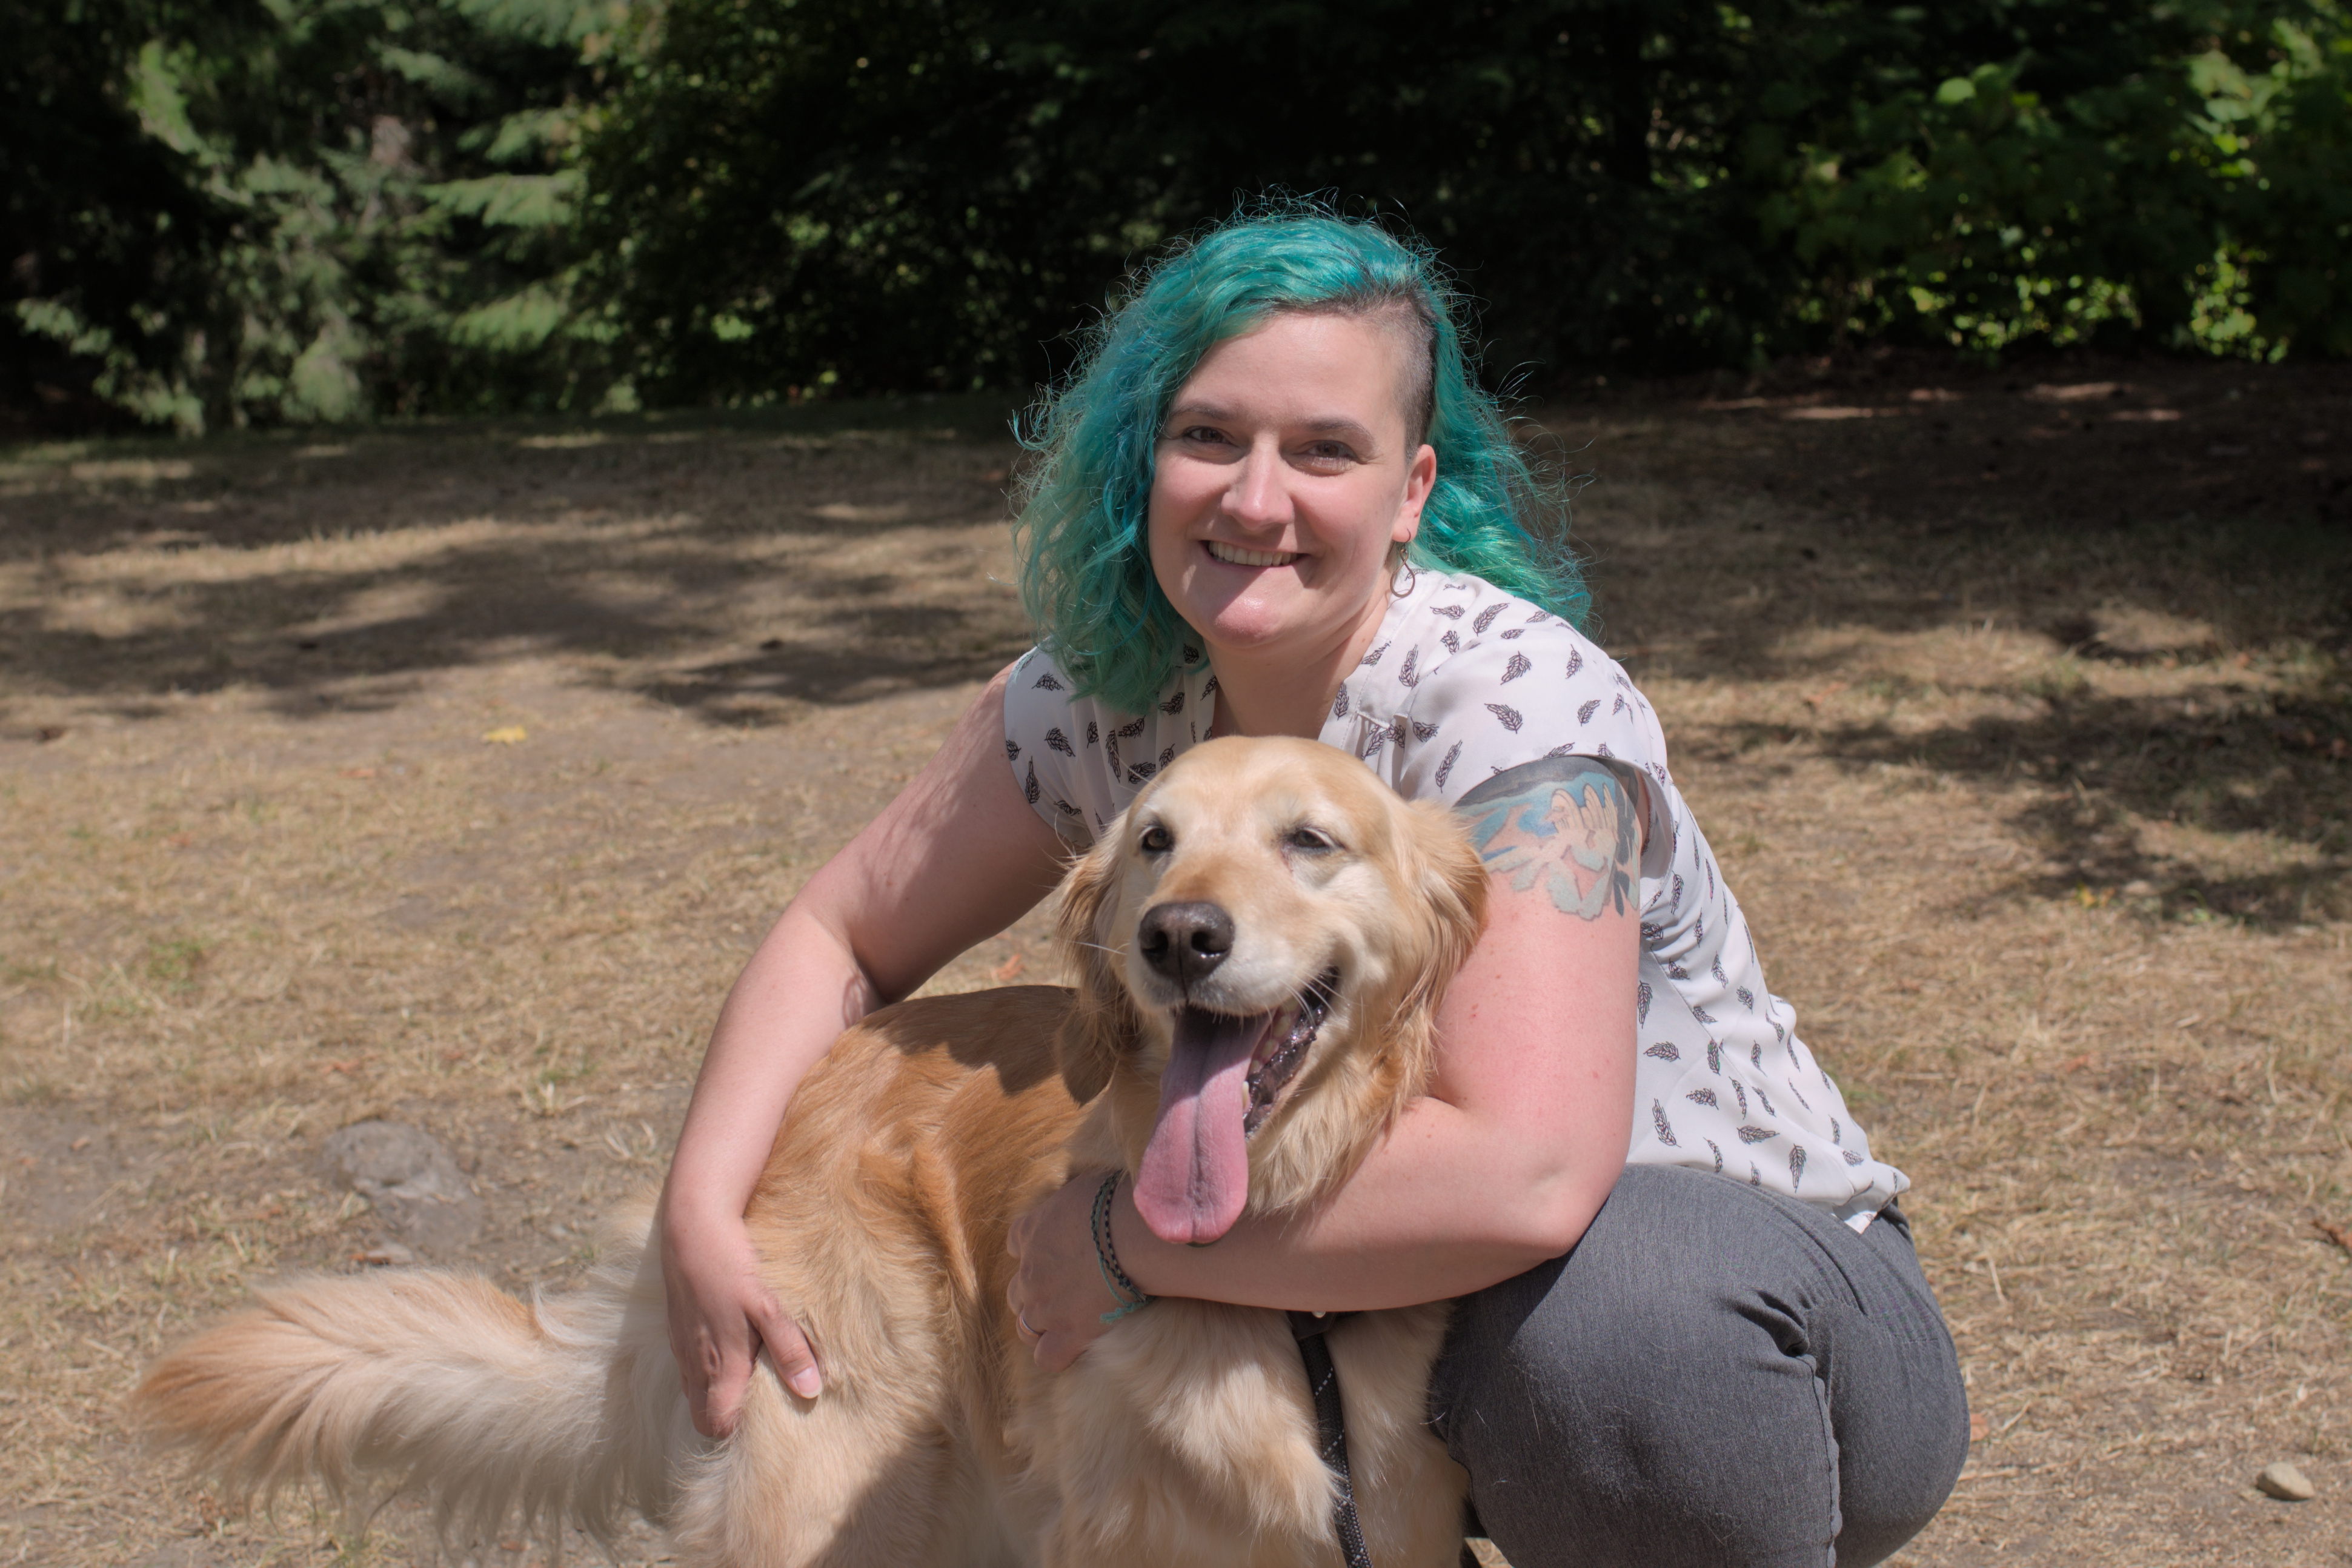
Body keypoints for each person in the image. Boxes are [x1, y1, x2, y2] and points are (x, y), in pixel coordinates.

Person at [656, 209, 1970, 1567]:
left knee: (1607, 1313)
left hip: (1751, 1315)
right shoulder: (1091, 700)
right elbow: (842, 929)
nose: (1256, 497)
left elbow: (1529, 1177)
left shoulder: (1516, 711)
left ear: (1411, 491)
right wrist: (700, 1206)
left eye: (1325, 449)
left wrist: (1120, 1238)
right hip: (1424, 1307)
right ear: (1143, 462)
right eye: (1210, 436)